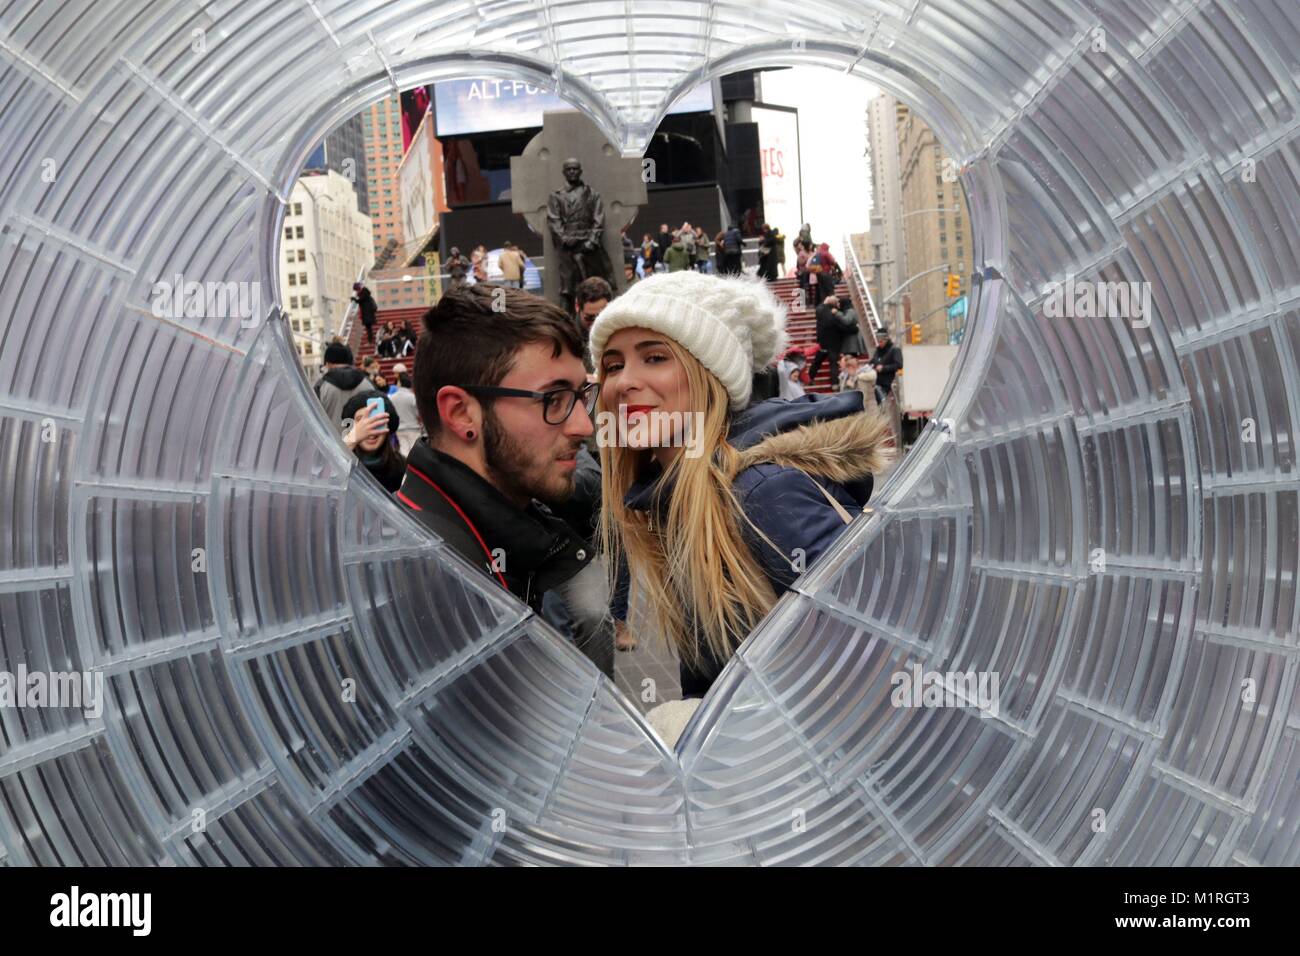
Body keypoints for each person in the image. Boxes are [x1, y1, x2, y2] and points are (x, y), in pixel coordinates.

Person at [589, 271, 893, 710]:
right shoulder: (676, 499)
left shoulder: (760, 496)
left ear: (710, 376)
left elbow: (872, 664)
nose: (623, 383)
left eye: (654, 357)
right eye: (613, 365)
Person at [397, 284, 612, 675]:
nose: (583, 425)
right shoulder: (440, 588)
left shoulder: (485, 539)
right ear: (462, 413)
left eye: (582, 395)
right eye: (554, 399)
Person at [341, 391, 407, 493]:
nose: (369, 429)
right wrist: (350, 440)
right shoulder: (343, 464)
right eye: (361, 421)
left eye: (377, 421)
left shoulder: (404, 467)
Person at [313, 342, 370, 424]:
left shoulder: (321, 386)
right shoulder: (367, 382)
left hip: (329, 436)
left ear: (327, 363)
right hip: (361, 436)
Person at [809, 295, 850, 390]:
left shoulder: (820, 310)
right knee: (833, 364)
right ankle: (834, 384)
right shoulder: (835, 313)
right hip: (834, 343)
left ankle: (810, 378)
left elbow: (819, 309)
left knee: (817, 362)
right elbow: (842, 327)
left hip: (822, 342)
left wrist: (825, 302)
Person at [387, 363, 422, 456]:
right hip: (413, 427)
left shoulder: (391, 398)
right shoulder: (412, 397)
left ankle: (405, 468)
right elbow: (418, 413)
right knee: (416, 452)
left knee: (403, 450)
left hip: (400, 428)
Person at [870, 327, 904, 406]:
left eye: (881, 341)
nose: (880, 343)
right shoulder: (878, 350)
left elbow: (899, 365)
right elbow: (873, 361)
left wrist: (883, 368)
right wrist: (876, 365)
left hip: (888, 383)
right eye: (878, 341)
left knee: (883, 405)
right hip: (878, 382)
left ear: (886, 339)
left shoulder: (894, 350)